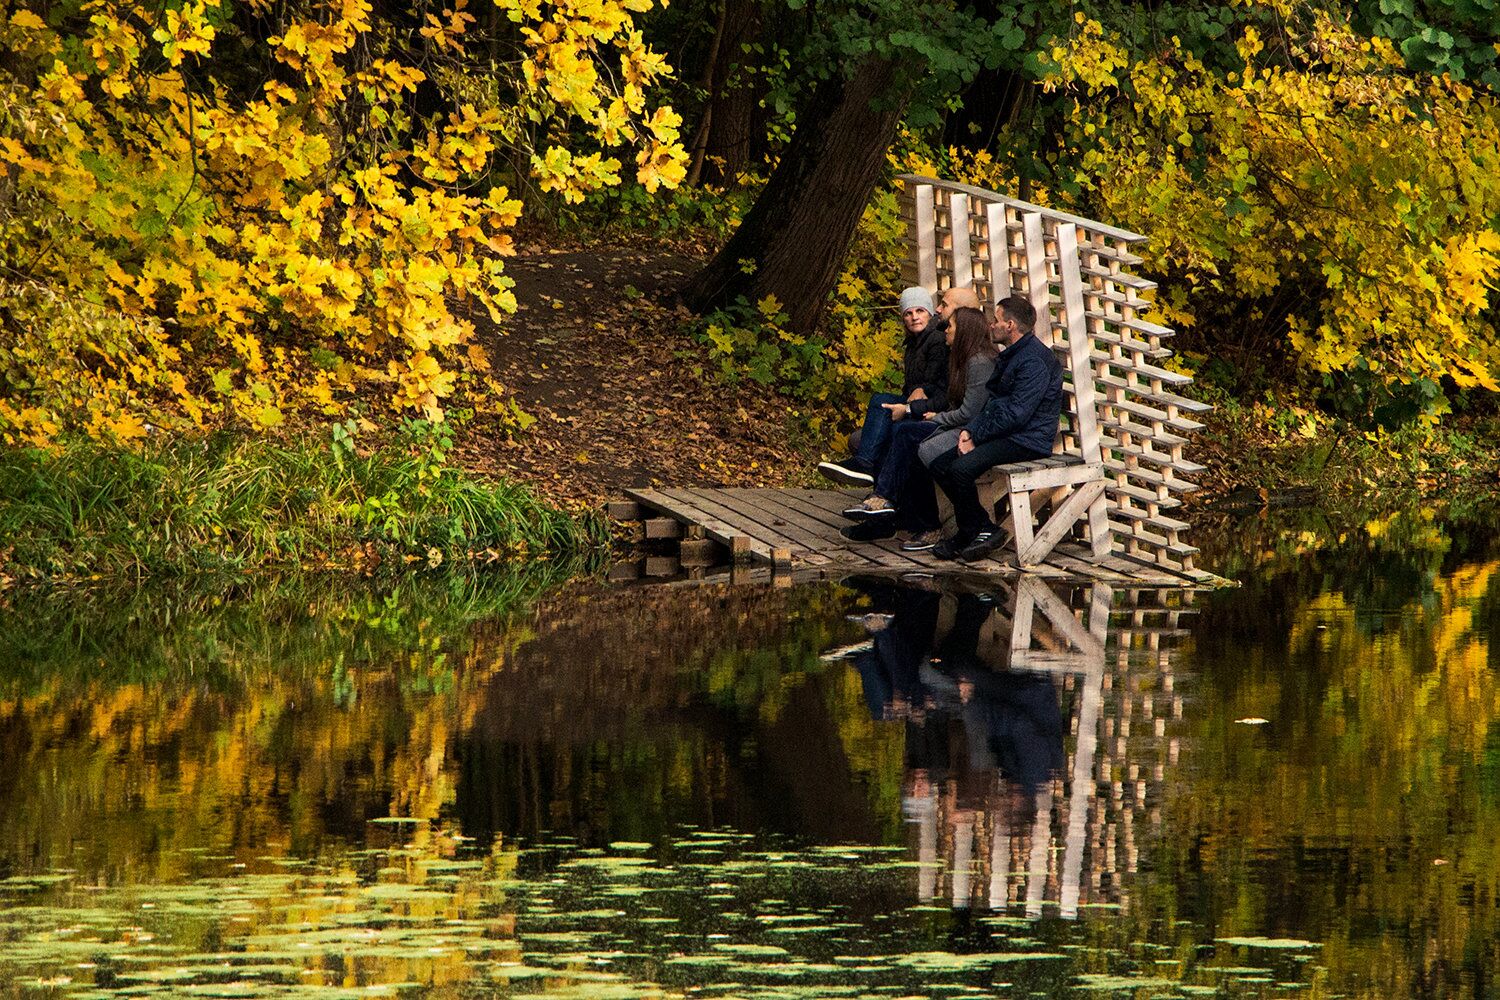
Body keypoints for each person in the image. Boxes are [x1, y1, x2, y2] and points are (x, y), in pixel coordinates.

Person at [926, 294, 1061, 562]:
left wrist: (976, 435)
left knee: (960, 469)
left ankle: (975, 531)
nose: (990, 325)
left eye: (996, 320)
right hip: (1006, 433)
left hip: (1027, 440)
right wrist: (969, 431)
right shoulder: (1012, 355)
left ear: (1010, 325)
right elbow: (992, 403)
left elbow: (1016, 414)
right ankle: (980, 529)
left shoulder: (1033, 361)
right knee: (939, 464)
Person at [839, 306, 998, 525]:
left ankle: (886, 501)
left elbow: (969, 413)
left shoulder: (978, 363)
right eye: (907, 312)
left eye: (950, 327)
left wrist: (933, 416)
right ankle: (885, 511)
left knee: (906, 435)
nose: (945, 332)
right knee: (896, 428)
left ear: (964, 332)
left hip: (969, 432)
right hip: (953, 422)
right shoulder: (959, 358)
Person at [818, 285, 980, 485]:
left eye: (921, 311)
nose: (915, 316)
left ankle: (882, 490)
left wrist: (911, 406)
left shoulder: (941, 341)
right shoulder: (916, 342)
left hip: (938, 413)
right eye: (908, 313)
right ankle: (867, 470)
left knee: (894, 431)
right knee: (879, 404)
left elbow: (942, 389)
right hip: (926, 406)